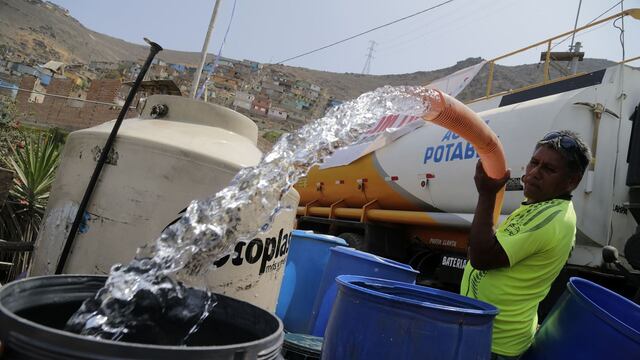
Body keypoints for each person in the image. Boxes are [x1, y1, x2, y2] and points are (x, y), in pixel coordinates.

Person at [460, 130, 591, 359]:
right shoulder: (537, 206)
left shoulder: (551, 217)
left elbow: (481, 257)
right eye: (534, 163)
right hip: (482, 333)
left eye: (549, 169)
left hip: (495, 343)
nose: (534, 173)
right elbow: (480, 248)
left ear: (572, 181)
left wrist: (487, 194)